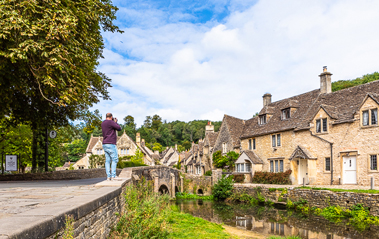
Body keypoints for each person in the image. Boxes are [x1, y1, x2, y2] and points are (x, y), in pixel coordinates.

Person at [101, 113, 121, 181]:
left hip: (104, 143)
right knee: (115, 159)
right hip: (111, 143)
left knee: (107, 161)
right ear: (111, 117)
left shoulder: (103, 123)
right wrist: (115, 122)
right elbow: (119, 128)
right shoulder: (111, 122)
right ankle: (113, 176)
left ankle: (108, 176)